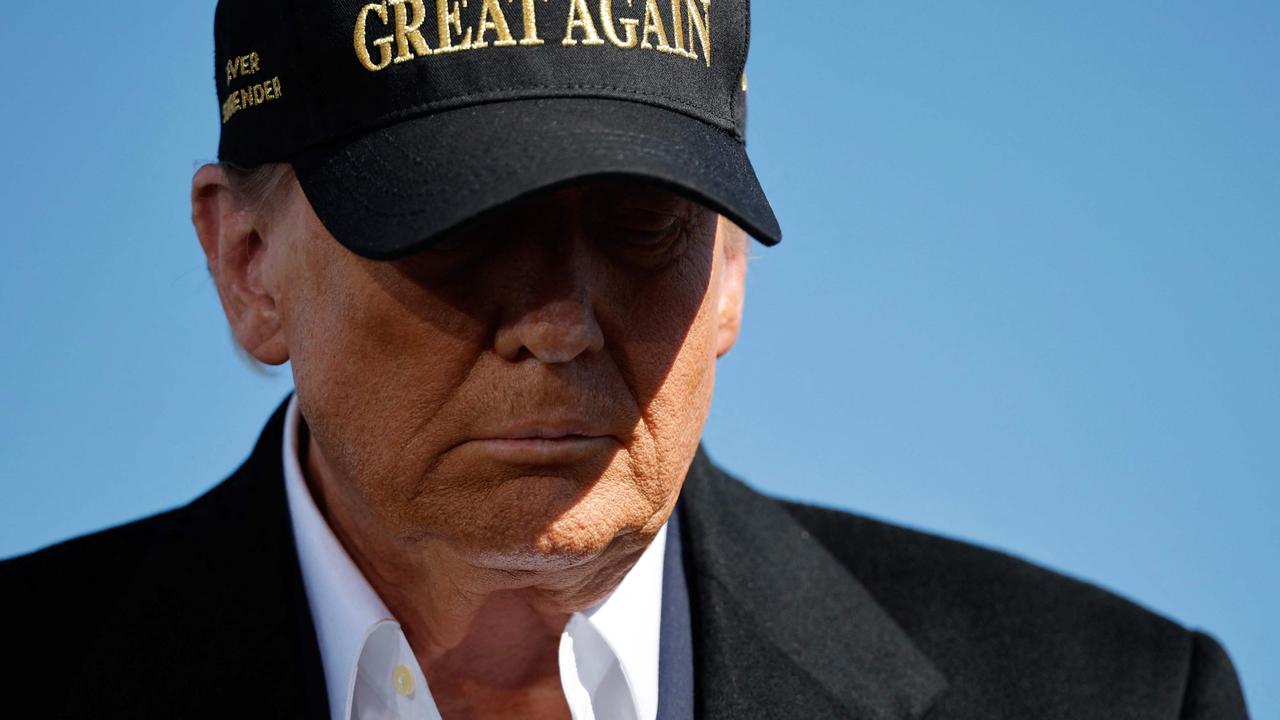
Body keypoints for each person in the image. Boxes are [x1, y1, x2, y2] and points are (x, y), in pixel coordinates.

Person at [0, 0, 1250, 718]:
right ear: (247, 265)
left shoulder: (1112, 700)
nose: (561, 319)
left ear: (731, 273)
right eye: (456, 223)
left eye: (642, 219)